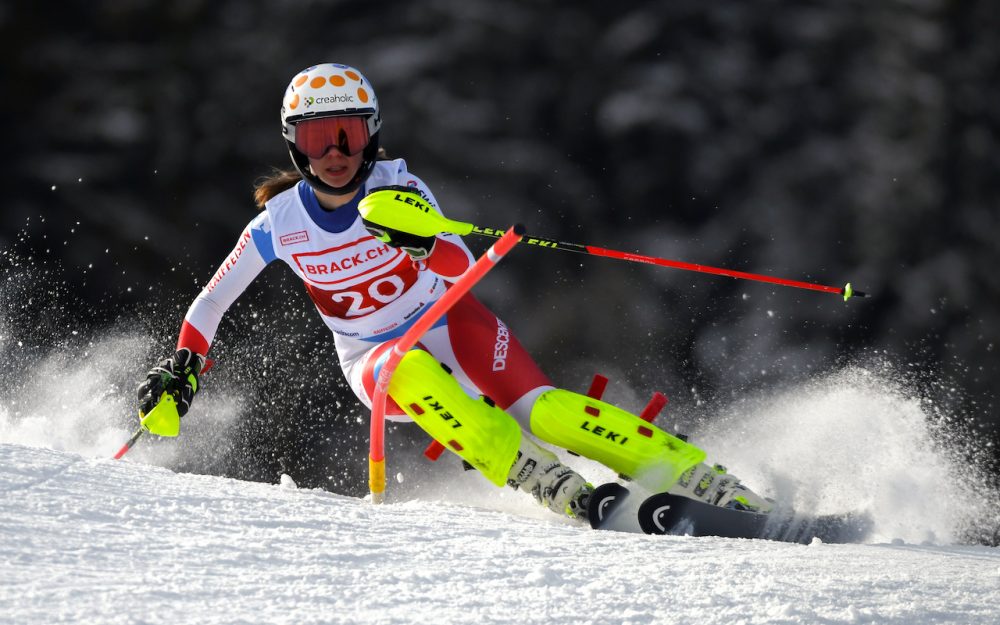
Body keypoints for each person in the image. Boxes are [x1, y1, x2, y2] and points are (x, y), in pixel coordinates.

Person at [137, 63, 771, 522]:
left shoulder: (398, 189)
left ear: (371, 136)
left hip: (450, 319)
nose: (334, 153)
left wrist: (418, 241)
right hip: (374, 359)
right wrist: (183, 369)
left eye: (348, 136)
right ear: (293, 145)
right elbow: (210, 303)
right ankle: (547, 481)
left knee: (545, 411)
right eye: (315, 138)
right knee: (407, 366)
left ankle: (706, 479)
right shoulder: (279, 224)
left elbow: (458, 263)